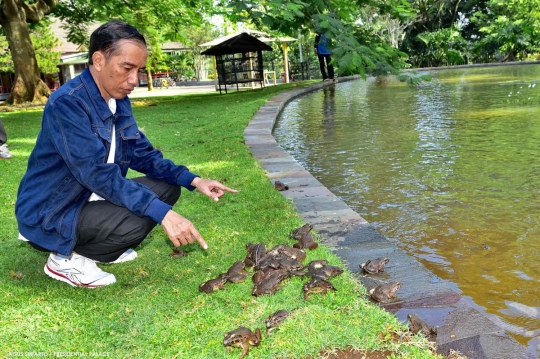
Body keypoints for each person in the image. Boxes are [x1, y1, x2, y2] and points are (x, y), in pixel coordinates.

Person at [15, 20, 237, 288]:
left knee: (168, 188)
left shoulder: (118, 99)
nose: (134, 80)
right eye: (127, 68)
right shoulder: (68, 102)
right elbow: (95, 173)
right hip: (52, 211)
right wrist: (164, 215)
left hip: (86, 196)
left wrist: (194, 180)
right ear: (99, 60)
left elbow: (141, 153)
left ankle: (97, 249)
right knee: (144, 216)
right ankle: (64, 261)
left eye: (139, 70)